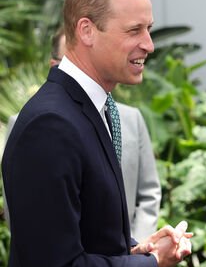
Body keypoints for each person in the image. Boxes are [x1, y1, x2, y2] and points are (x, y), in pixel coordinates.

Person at [0, 0, 192, 267]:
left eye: (149, 29)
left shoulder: (89, 109)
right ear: (86, 31)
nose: (149, 44)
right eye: (134, 31)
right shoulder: (51, 124)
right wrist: (151, 264)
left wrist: (133, 250)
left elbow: (82, 237)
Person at [3, 28, 161, 242]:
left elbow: (149, 192)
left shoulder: (131, 118)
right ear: (56, 65)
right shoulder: (35, 122)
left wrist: (137, 253)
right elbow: (20, 205)